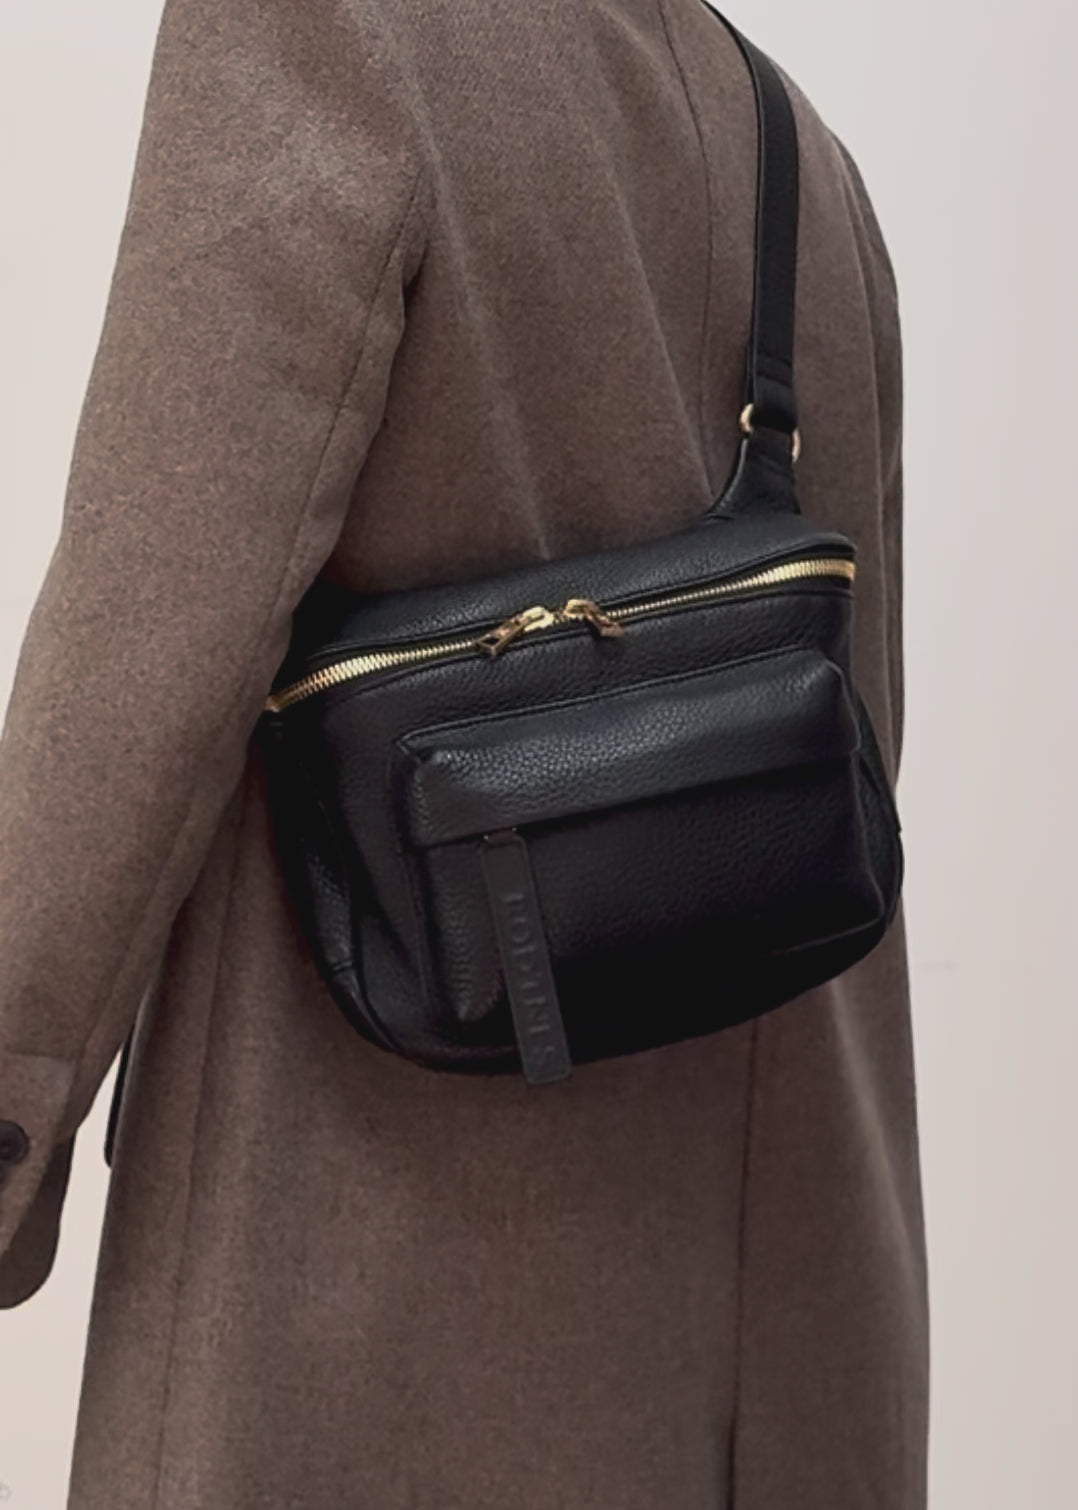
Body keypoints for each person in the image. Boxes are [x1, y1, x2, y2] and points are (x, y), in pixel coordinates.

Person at [0, 0, 928, 1505]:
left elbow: (141, 639)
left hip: (368, 1318)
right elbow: (855, 765)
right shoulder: (812, 165)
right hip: (791, 1357)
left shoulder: (318, 32)